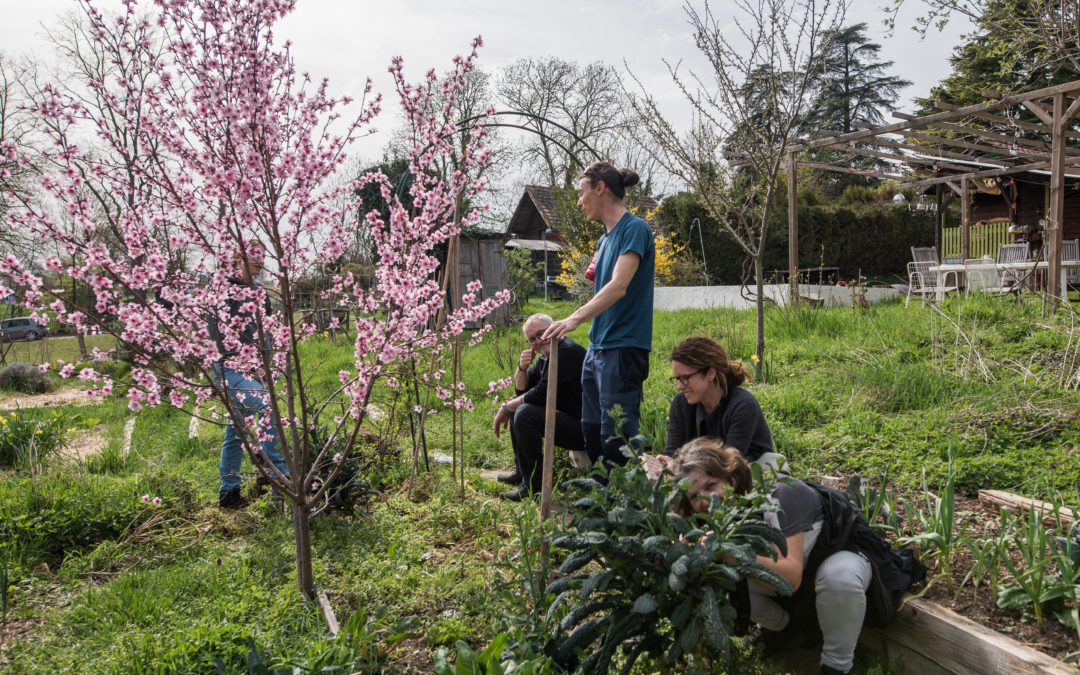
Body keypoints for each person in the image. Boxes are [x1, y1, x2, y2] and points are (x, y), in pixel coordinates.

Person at [672, 438, 871, 675]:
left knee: (839, 577)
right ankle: (783, 630)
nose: (705, 500)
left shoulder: (780, 494)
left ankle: (836, 666)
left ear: (731, 476)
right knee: (716, 579)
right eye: (694, 496)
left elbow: (790, 579)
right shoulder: (722, 515)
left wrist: (729, 554)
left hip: (841, 555)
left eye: (711, 485)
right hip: (799, 575)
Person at [543, 162, 654, 466]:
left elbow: (619, 286)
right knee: (591, 430)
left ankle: (626, 506)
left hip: (623, 347)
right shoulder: (604, 240)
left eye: (581, 192)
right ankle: (602, 500)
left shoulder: (635, 228)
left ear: (600, 188)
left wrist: (575, 318)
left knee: (616, 436)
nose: (579, 201)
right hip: (598, 348)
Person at [208, 240, 290, 509]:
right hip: (228, 368)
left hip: (255, 370)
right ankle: (283, 482)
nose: (260, 261)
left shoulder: (260, 293)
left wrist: (267, 366)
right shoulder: (221, 290)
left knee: (237, 430)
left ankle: (229, 492)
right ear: (237, 258)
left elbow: (265, 333)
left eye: (262, 256)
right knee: (267, 409)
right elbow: (216, 338)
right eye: (254, 256)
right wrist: (247, 363)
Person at [493, 313, 587, 501]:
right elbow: (522, 392)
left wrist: (504, 407)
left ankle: (534, 487)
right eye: (532, 339)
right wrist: (522, 368)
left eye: (542, 333)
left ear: (555, 329)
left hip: (582, 428)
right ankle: (523, 473)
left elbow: (539, 394)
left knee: (524, 412)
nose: (538, 341)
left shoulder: (567, 352)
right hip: (562, 418)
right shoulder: (546, 355)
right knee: (518, 408)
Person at [664, 336, 785, 471]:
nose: (679, 386)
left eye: (685, 378)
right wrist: (667, 462)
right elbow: (673, 452)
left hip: (753, 474)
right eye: (677, 379)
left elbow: (728, 464)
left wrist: (680, 467)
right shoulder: (681, 404)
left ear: (710, 373)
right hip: (704, 476)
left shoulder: (743, 406)